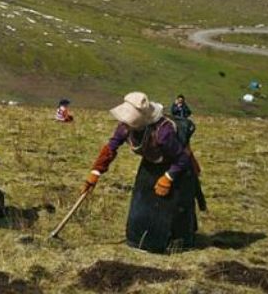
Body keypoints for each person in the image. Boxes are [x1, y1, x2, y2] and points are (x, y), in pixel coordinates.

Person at [81, 92, 198, 253]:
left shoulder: (163, 133)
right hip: (151, 165)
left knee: (173, 209)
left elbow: (182, 158)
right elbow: (112, 146)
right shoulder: (126, 127)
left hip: (177, 168)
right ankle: (140, 241)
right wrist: (96, 172)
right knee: (141, 204)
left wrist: (168, 177)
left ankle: (175, 244)